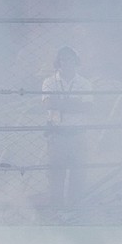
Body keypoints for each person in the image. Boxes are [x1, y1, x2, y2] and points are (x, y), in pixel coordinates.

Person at [41, 46, 93, 208]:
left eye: (70, 59)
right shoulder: (49, 81)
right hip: (57, 135)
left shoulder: (85, 83)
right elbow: (48, 103)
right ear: (58, 62)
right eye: (63, 59)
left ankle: (75, 209)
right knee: (56, 176)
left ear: (76, 62)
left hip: (78, 135)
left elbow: (88, 107)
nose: (67, 63)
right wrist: (75, 104)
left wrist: (61, 104)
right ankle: (56, 210)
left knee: (78, 176)